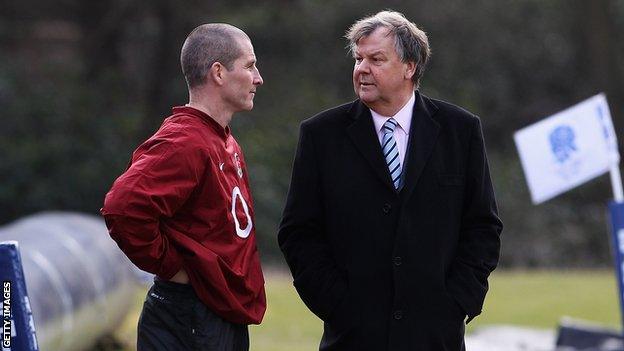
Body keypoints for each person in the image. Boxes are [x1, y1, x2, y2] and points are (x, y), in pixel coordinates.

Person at [278, 10, 503, 351]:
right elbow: (299, 232)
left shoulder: (461, 130)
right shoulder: (320, 135)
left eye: (376, 59)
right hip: (352, 336)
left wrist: (458, 301)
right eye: (358, 58)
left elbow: (482, 226)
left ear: (410, 67)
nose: (362, 69)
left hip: (435, 335)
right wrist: (336, 304)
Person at [101, 23, 265, 351]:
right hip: (190, 315)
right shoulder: (185, 141)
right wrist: (173, 267)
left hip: (217, 315)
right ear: (218, 73)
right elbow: (122, 207)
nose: (258, 77)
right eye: (249, 66)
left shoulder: (220, 136)